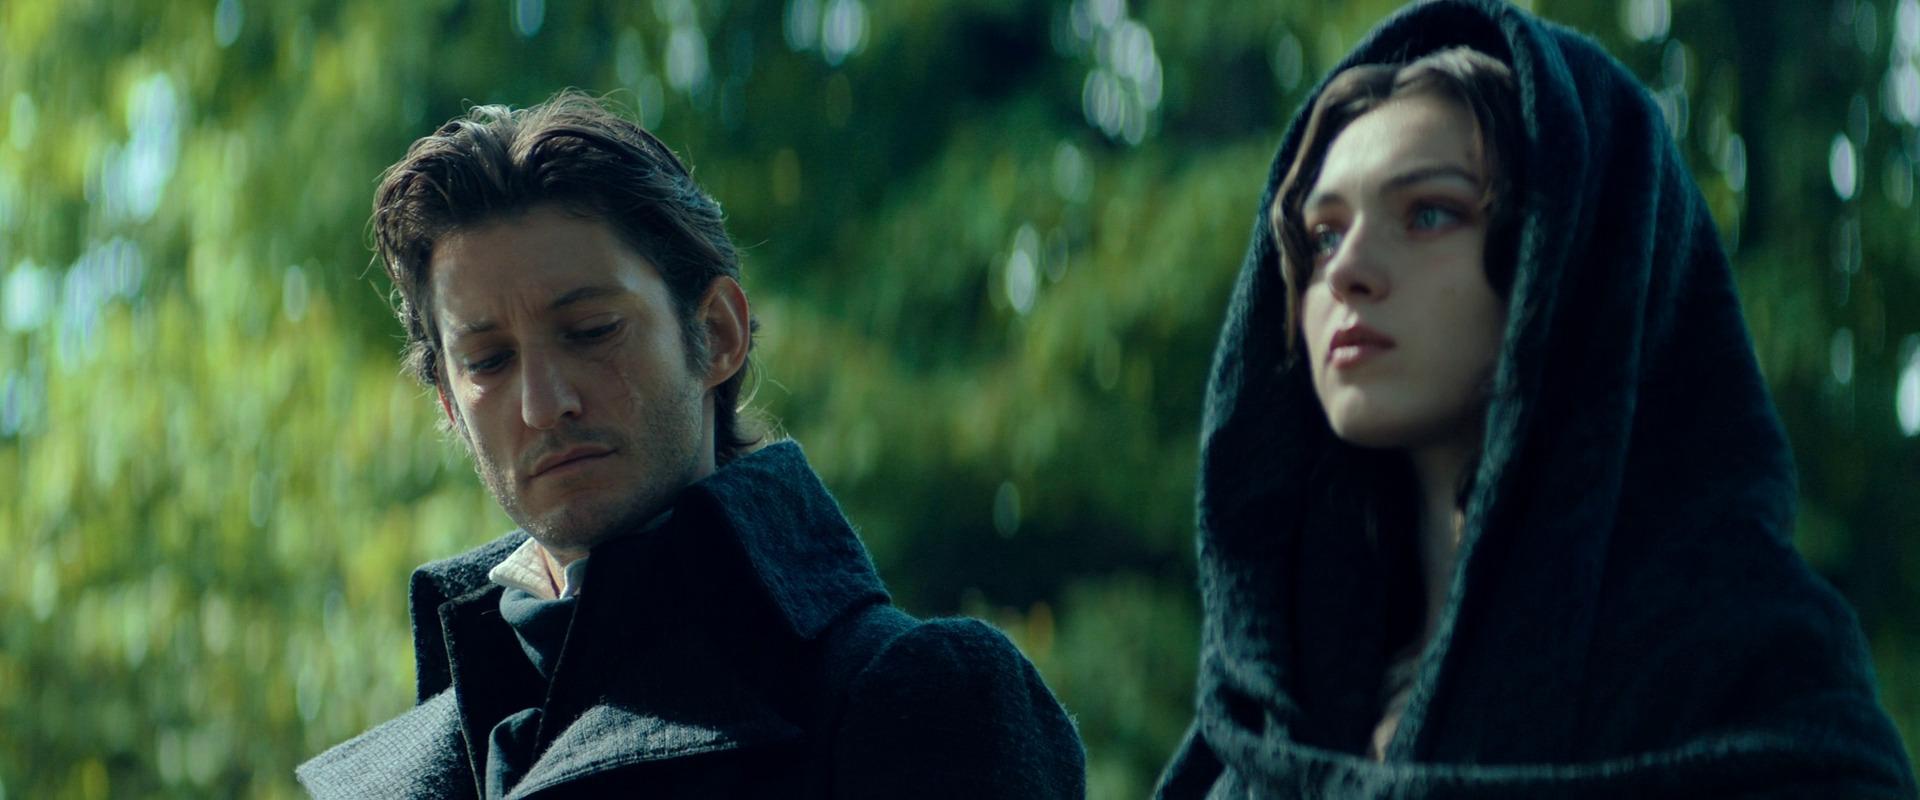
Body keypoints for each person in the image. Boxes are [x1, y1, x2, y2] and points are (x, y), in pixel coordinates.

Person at [1156, 1, 1918, 797]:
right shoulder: (1263, 737)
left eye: (1429, 213)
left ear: (1567, 252)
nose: (1346, 270)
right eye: (1322, 235)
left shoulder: (1744, 674)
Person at [295, 91, 1085, 799]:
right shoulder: (425, 763)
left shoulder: (913, 700)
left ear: (717, 334)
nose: (543, 405)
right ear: (448, 405)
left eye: (591, 330)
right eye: (489, 362)